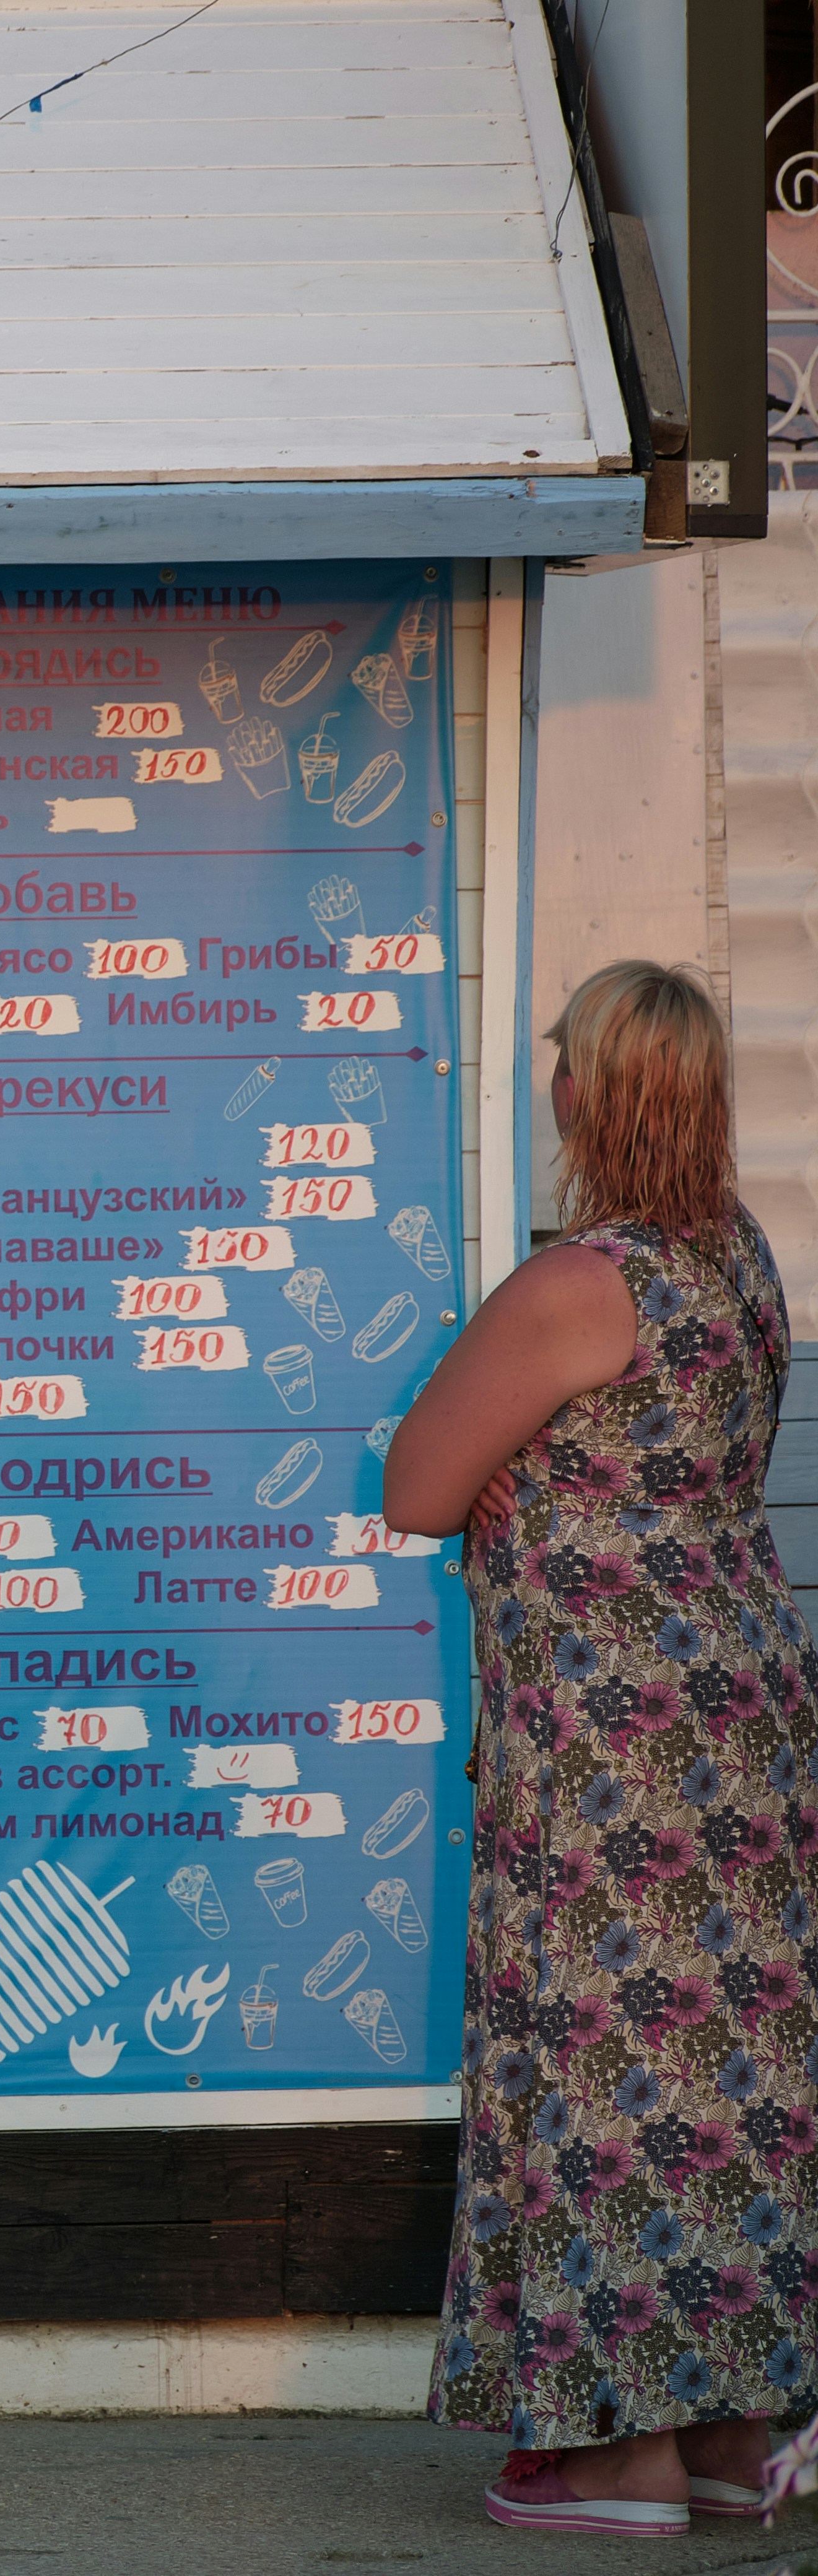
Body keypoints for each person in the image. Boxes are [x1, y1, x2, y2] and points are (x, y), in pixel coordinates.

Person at [386, 960, 818, 2539]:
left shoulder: (581, 1283)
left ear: (587, 1092)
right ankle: (725, 2426)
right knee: (730, 2072)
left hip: (610, 1735)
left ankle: (610, 2455)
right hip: (748, 1714)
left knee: (599, 2061)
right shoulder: (742, 1262)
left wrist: (515, 1476)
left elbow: (416, 1485)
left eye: (561, 1059)